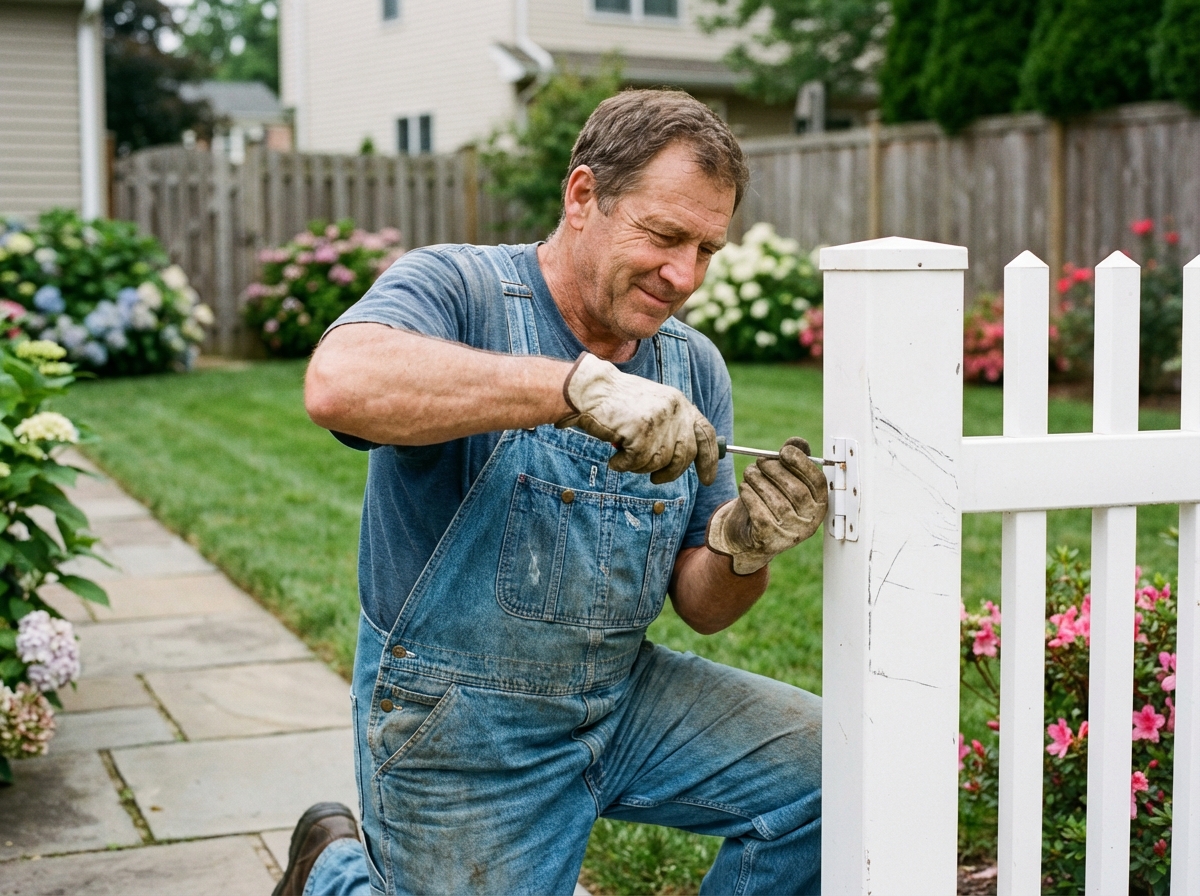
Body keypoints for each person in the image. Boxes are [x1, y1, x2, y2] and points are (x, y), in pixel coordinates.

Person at [279, 89, 827, 896]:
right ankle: (332, 872)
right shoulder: (457, 290)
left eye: (708, 248)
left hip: (623, 695)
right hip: (459, 719)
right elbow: (339, 383)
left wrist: (740, 547)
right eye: (665, 235)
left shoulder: (693, 365)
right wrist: (576, 387)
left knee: (844, 767)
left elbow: (705, 608)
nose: (685, 275)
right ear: (583, 198)